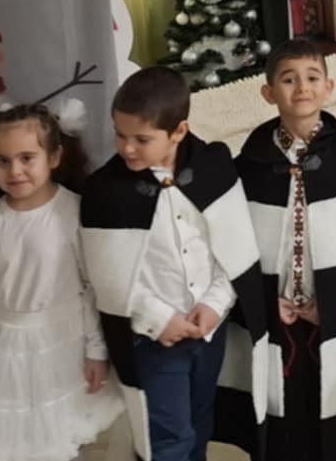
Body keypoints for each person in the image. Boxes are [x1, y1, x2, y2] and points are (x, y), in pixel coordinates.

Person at [79, 67, 264, 461]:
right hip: (152, 339)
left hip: (207, 332)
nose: (127, 148)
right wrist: (159, 318)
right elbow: (105, 274)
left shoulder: (213, 167)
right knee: (168, 438)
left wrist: (215, 304)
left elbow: (235, 248)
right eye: (120, 135)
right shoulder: (105, 189)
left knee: (200, 423)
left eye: (141, 139)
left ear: (179, 131)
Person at [227, 40, 336, 461]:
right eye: (289, 80)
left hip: (330, 314)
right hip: (275, 312)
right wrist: (262, 303)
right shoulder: (248, 164)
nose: (302, 88)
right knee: (280, 418)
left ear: (329, 87)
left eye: (312, 78)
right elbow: (238, 244)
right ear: (268, 92)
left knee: (333, 417)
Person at [0, 101, 123, 461]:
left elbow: (91, 288)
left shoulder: (74, 212)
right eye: (2, 160)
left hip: (64, 343)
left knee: (61, 437)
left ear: (54, 157)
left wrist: (96, 351)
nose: (15, 170)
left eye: (27, 158)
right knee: (11, 443)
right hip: (4, 347)